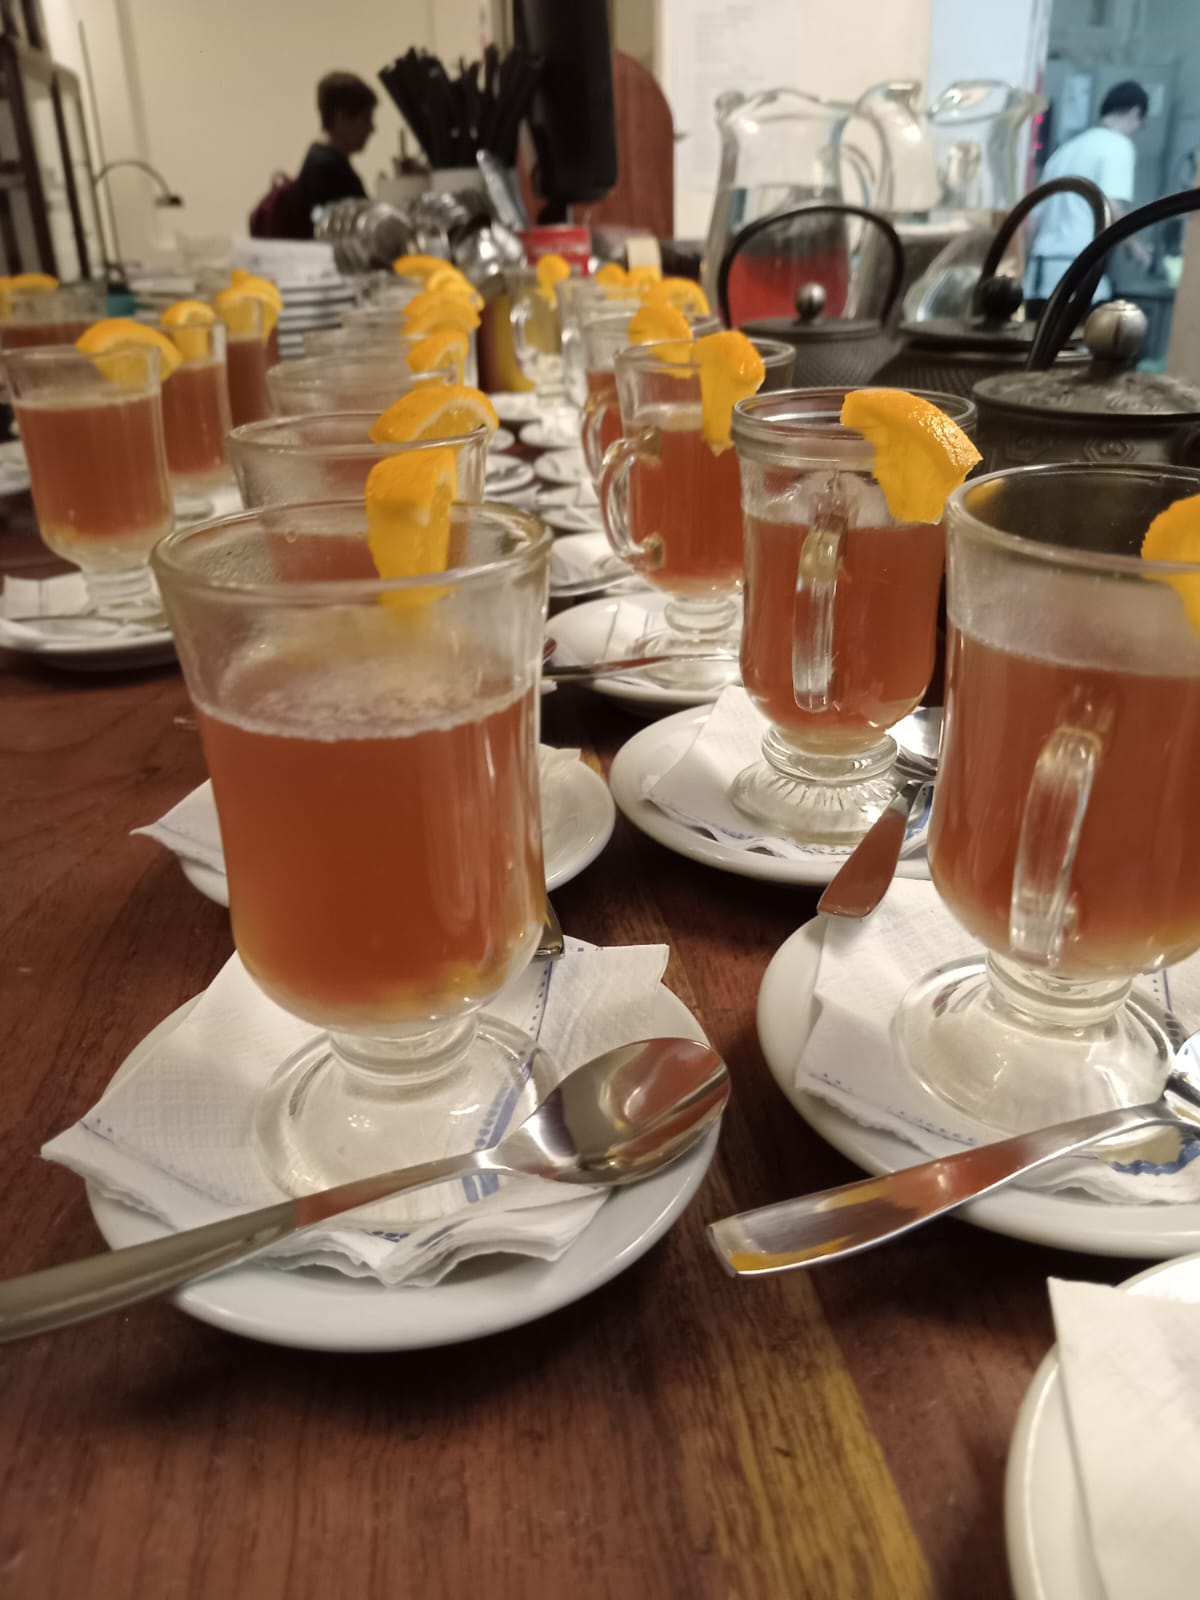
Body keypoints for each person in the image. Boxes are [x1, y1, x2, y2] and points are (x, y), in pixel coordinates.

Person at [1024, 80, 1153, 316]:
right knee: (1081, 340)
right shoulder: (1118, 146)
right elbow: (1112, 207)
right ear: (1136, 113)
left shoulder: (1065, 151)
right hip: (1078, 277)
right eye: (1141, 124)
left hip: (1038, 278)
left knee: (1038, 339)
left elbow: (1033, 221)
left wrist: (1024, 270)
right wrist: (1135, 248)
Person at [295, 71, 378, 219]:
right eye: (365, 119)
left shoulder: (328, 162)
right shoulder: (325, 168)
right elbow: (319, 218)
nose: (371, 128)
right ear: (341, 118)